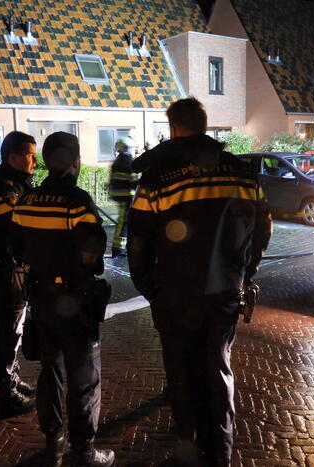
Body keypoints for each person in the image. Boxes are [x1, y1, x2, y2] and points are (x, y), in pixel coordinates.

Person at [128, 97, 271, 466]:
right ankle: (220, 451)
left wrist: (151, 289)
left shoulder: (158, 178)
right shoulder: (242, 173)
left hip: (176, 295)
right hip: (225, 291)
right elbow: (262, 229)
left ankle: (189, 448)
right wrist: (245, 272)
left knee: (182, 373)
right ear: (204, 126)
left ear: (174, 128)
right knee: (218, 367)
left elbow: (138, 240)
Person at [10, 131, 115, 466]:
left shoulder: (27, 201)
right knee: (84, 379)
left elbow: (16, 247)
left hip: (40, 301)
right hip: (75, 303)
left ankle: (53, 443)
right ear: (75, 162)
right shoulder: (77, 202)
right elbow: (93, 255)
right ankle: (84, 451)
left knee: (50, 372)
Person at [0, 131, 38, 416]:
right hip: (5, 270)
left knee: (14, 328)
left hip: (8, 268)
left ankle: (11, 377)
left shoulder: (10, 182)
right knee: (8, 330)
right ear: (13, 158)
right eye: (30, 155)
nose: (35, 161)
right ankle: (5, 392)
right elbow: (19, 230)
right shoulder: (2, 190)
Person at [108, 139, 138, 257]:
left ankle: (121, 248)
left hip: (120, 195)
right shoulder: (129, 162)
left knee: (125, 222)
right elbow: (134, 182)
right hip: (126, 196)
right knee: (123, 222)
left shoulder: (118, 162)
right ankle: (118, 249)